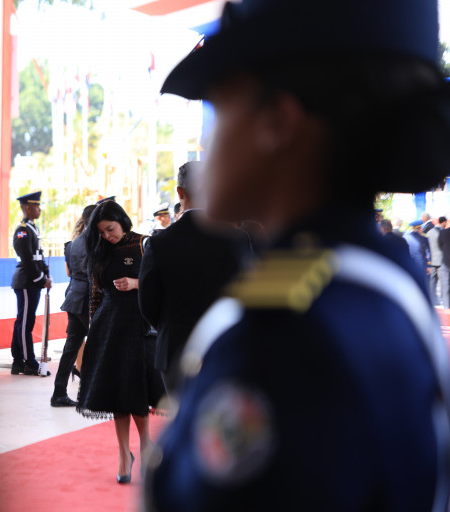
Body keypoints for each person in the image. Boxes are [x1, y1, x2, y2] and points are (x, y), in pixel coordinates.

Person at [147, 0, 450, 508]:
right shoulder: (382, 275)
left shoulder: (281, 344)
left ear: (277, 121)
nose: (206, 141)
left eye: (219, 107)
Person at [138, 161, 248, 395]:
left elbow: (147, 303)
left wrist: (170, 324)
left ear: (180, 192)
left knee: (180, 412)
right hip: (227, 345)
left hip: (175, 347)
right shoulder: (237, 239)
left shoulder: (159, 243)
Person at [76, 200, 165, 484]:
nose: (107, 236)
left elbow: (162, 283)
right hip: (108, 327)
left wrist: (136, 283)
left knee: (135, 389)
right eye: (101, 232)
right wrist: (92, 331)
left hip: (138, 325)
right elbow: (95, 294)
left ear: (122, 221)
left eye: (110, 229)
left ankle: (146, 445)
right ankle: (124, 454)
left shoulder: (144, 243)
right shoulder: (100, 250)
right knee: (117, 392)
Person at [51, 204, 96, 407]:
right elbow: (94, 275)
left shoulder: (72, 244)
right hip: (87, 300)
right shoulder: (94, 243)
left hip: (74, 298)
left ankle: (59, 392)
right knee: (100, 344)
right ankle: (96, 393)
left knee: (70, 349)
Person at [10, 191, 52, 376]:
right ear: (27, 208)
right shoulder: (23, 230)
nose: (39, 209)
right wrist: (41, 279)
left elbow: (37, 256)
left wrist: (46, 275)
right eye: (36, 206)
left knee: (23, 322)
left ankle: (18, 361)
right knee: (25, 324)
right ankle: (29, 362)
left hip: (32, 281)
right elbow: (27, 260)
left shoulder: (32, 228)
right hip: (27, 281)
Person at [428, 217, 446, 306]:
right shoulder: (443, 232)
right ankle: (444, 299)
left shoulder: (429, 232)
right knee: (443, 281)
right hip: (441, 259)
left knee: (432, 281)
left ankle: (433, 300)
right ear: (443, 222)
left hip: (431, 260)